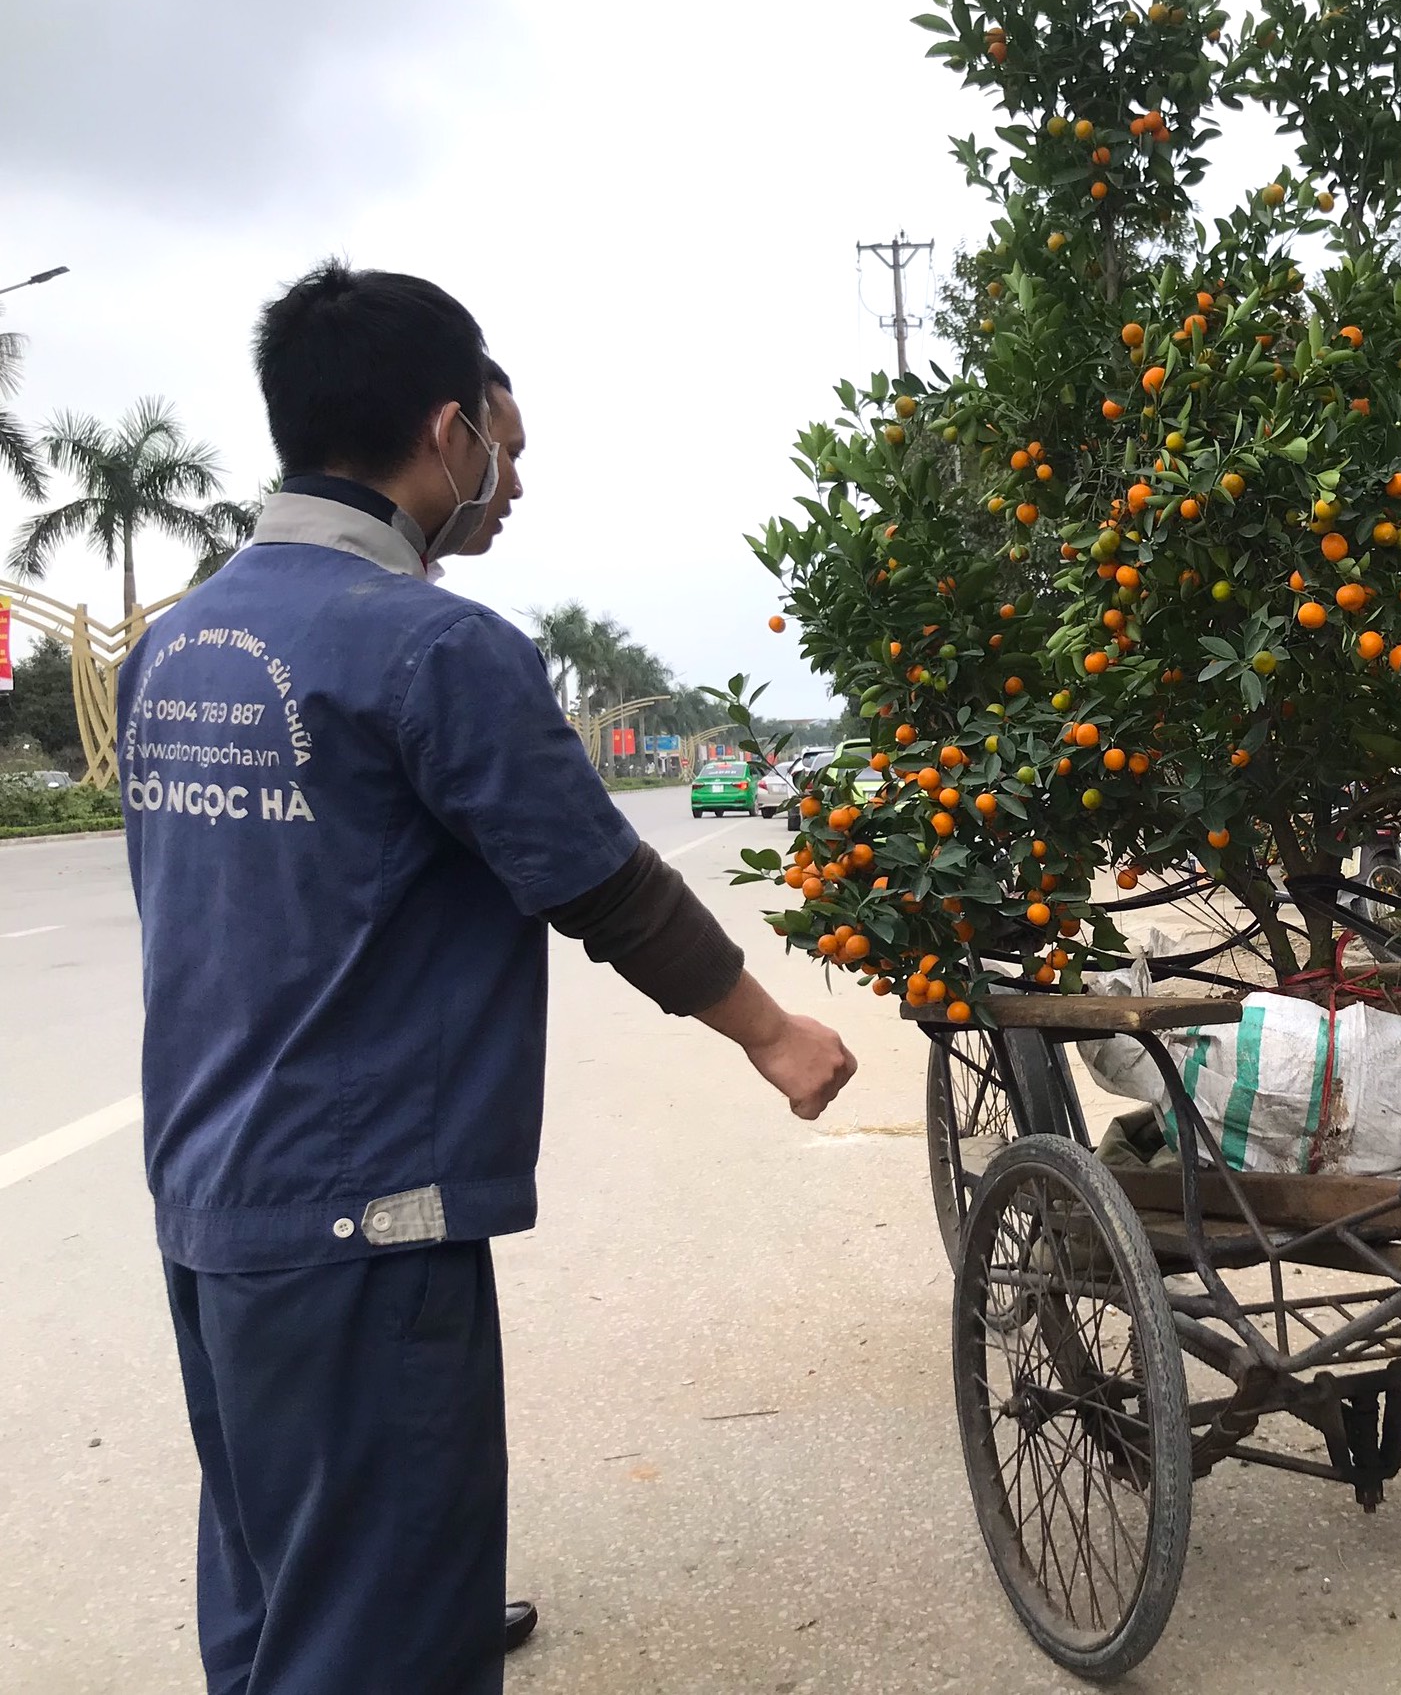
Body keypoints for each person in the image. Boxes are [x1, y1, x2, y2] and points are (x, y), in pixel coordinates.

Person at [117, 261, 857, 1695]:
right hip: (362, 1213)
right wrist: (770, 1031)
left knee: (276, 1571)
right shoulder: (435, 644)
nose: (508, 489)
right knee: (379, 1635)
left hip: (213, 1194)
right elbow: (597, 877)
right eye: (505, 456)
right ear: (447, 434)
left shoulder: (178, 640)